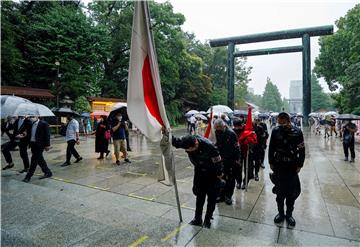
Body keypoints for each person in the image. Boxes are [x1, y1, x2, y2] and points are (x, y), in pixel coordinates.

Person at [172, 134, 223, 228]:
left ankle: (207, 219)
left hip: (212, 174)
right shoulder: (185, 142)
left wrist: (219, 174)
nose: (189, 152)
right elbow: (174, 141)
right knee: (199, 196)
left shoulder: (209, 146)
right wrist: (166, 133)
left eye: (190, 150)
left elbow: (218, 162)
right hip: (199, 172)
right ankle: (197, 218)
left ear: (196, 144)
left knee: (211, 198)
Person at [268, 112, 305, 227]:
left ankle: (289, 214)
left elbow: (302, 150)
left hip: (291, 166)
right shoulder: (275, 131)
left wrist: (300, 165)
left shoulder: (297, 132)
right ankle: (280, 213)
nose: (280, 122)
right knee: (279, 192)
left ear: (288, 120)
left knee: (291, 193)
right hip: (279, 166)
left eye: (283, 120)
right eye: (279, 120)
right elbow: (271, 147)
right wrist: (271, 162)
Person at [213, 119, 240, 205]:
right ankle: (221, 196)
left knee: (230, 179)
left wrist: (237, 160)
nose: (218, 129)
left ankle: (228, 196)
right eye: (216, 128)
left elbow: (237, 148)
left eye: (219, 127)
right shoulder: (216, 133)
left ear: (223, 126)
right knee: (221, 178)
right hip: (221, 160)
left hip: (231, 160)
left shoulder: (231, 134)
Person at [23, 115, 52, 182]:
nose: (31, 118)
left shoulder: (44, 124)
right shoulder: (31, 124)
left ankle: (28, 176)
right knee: (40, 160)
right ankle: (48, 172)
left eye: (33, 116)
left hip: (40, 145)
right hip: (33, 144)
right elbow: (30, 134)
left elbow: (47, 135)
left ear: (37, 116)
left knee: (34, 160)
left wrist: (47, 145)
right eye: (30, 116)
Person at [232, 117, 245, 189]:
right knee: (238, 168)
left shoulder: (246, 130)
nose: (236, 128)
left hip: (245, 152)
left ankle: (245, 182)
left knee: (247, 169)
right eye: (235, 126)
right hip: (237, 153)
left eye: (238, 126)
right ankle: (239, 182)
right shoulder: (232, 131)